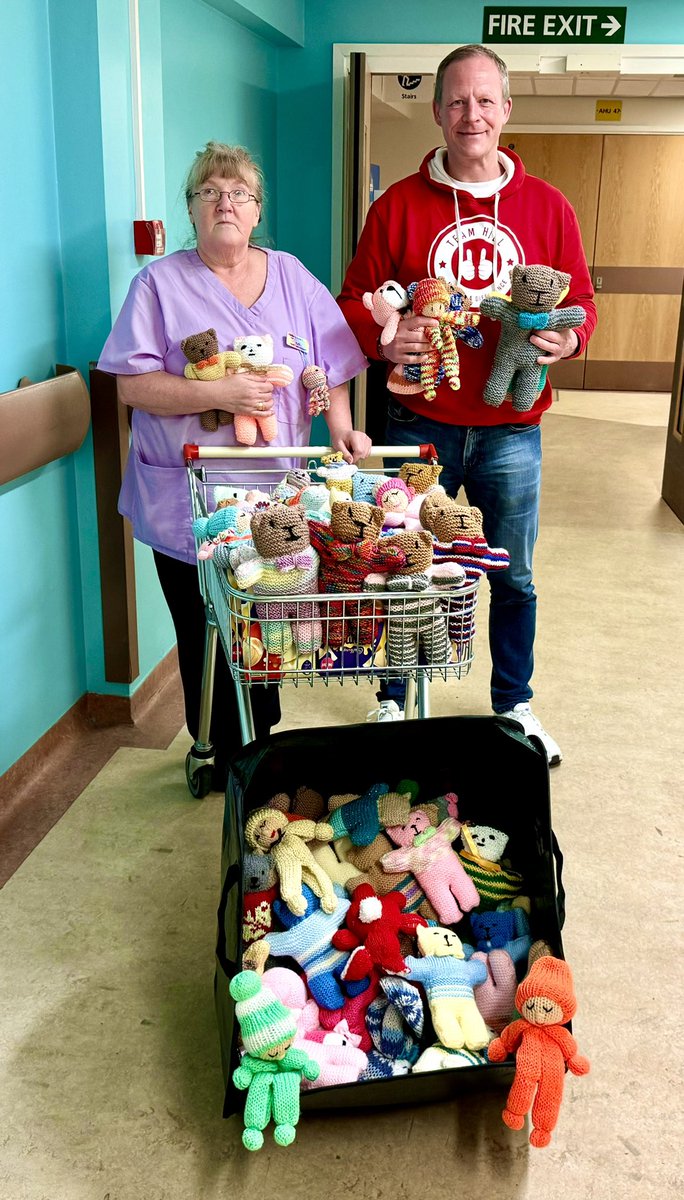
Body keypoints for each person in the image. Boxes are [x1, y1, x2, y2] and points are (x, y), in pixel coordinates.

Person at [338, 45, 597, 765]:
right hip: (417, 424)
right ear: (437, 111)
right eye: (457, 101)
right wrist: (384, 342)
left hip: (514, 427)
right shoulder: (396, 207)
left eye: (485, 101)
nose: (471, 115)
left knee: (512, 574)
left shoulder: (549, 206)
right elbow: (354, 302)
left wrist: (567, 346)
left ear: (506, 109)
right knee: (401, 565)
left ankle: (514, 705)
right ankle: (392, 696)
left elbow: (580, 303)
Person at [98, 141, 370, 788]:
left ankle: (259, 741)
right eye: (209, 192)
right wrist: (216, 394)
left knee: (268, 620)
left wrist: (345, 430)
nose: (225, 202)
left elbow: (332, 364)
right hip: (187, 498)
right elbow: (131, 386)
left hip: (276, 498)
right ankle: (216, 745)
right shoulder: (158, 285)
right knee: (204, 626)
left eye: (239, 192)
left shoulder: (293, 276)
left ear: (256, 211)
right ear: (191, 210)